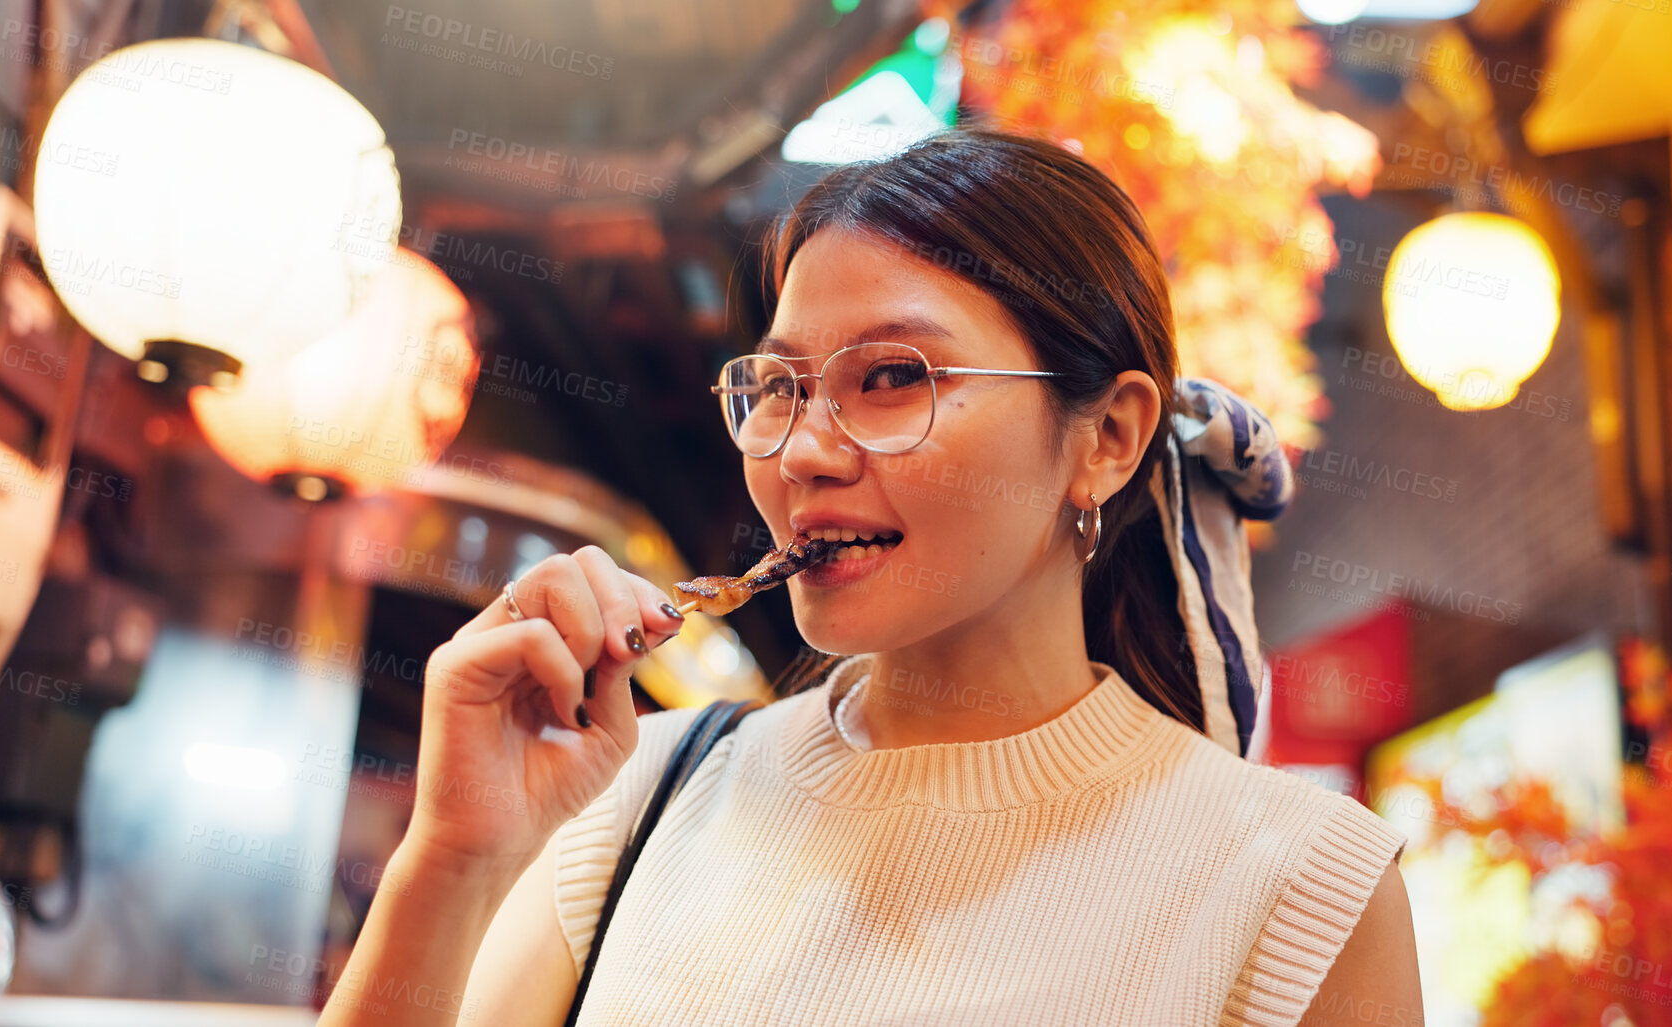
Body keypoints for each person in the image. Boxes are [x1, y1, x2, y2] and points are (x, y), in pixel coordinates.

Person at [319, 127, 1419, 1027]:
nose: (801, 449)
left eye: (893, 376)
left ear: (1108, 437)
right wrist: (454, 855)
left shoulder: (1301, 884)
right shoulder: (644, 791)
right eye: (780, 386)